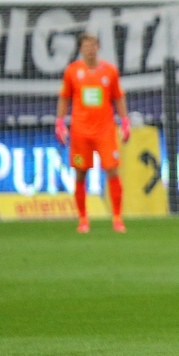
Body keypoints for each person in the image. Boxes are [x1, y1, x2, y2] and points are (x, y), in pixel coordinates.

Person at [56, 32, 130, 233]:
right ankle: (82, 219)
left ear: (98, 47)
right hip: (80, 132)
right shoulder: (72, 71)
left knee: (112, 170)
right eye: (86, 46)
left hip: (104, 131)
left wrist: (124, 121)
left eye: (93, 45)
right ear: (80, 49)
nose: (90, 49)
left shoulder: (110, 71)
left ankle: (116, 218)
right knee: (80, 173)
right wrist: (60, 122)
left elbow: (118, 97)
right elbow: (64, 97)